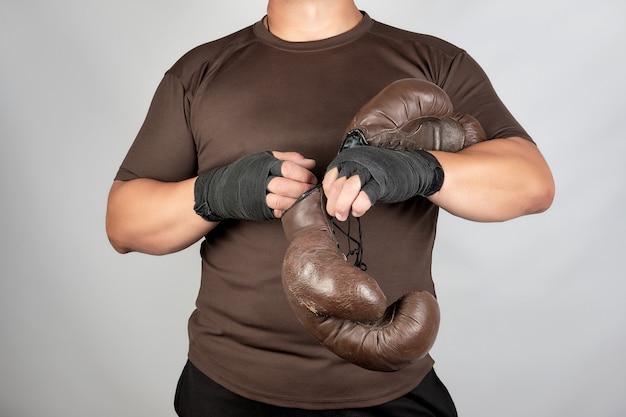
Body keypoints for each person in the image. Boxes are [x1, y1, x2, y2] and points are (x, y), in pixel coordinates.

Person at [106, 1, 555, 415]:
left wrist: (417, 168)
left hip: (391, 389)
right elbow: (124, 224)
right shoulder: (200, 71)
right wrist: (219, 191)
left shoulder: (435, 62)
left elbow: (532, 183)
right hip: (226, 388)